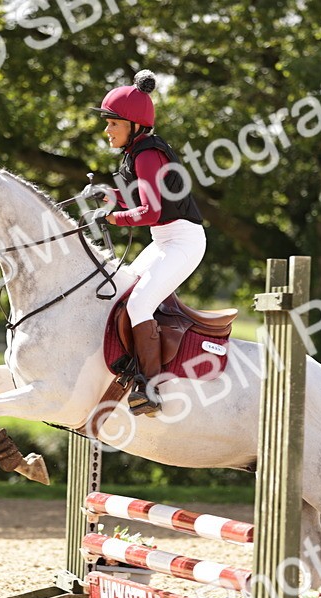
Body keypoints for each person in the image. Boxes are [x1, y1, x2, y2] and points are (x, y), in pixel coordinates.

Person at [86, 69, 206, 416]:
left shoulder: (147, 154)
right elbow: (133, 200)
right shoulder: (135, 154)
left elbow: (151, 212)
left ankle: (150, 388)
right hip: (165, 240)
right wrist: (107, 196)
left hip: (183, 242)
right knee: (122, 293)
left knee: (138, 305)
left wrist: (113, 217)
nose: (106, 131)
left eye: (113, 124)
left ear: (134, 125)